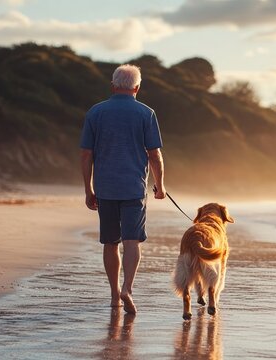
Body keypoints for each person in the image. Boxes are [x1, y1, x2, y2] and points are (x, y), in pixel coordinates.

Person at [80, 64, 166, 314]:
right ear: (137, 87)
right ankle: (128, 287)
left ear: (112, 85)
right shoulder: (146, 113)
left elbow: (86, 154)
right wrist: (160, 186)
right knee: (132, 241)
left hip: (105, 188)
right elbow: (154, 154)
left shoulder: (96, 112)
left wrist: (88, 189)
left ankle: (114, 295)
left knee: (110, 242)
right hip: (134, 188)